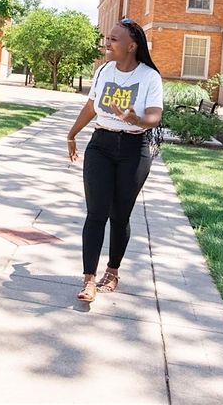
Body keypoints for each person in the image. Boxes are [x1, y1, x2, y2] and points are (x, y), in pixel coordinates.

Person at [65, 18, 164, 303]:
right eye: (107, 38)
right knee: (96, 213)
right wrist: (72, 134)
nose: (107, 43)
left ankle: (112, 270)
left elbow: (155, 115)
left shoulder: (148, 77)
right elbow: (91, 106)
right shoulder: (104, 70)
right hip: (101, 145)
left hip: (134, 149)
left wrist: (137, 119)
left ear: (132, 46)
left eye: (114, 39)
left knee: (120, 215)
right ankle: (89, 280)